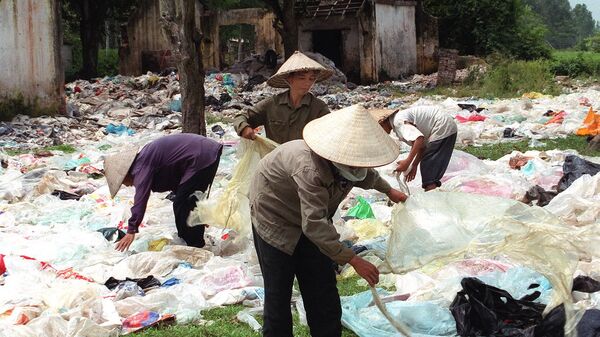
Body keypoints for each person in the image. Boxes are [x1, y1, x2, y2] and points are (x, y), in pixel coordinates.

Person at [249, 105, 408, 337]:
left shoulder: (351, 163)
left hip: (311, 216)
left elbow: (366, 175)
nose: (360, 166)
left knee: (322, 288)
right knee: (279, 290)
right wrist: (352, 259)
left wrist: (389, 190)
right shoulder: (309, 168)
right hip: (275, 214)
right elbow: (313, 224)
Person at [103, 133, 223, 252]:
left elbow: (141, 199)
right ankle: (190, 239)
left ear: (126, 174)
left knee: (182, 204)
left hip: (201, 156)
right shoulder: (145, 159)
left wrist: (131, 230)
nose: (126, 185)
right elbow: (177, 180)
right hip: (205, 152)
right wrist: (201, 214)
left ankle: (195, 246)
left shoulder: (141, 168)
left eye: (123, 181)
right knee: (186, 201)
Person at [233, 51, 333, 144]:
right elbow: (241, 117)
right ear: (289, 79)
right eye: (302, 78)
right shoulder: (272, 104)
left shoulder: (319, 108)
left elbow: (330, 133)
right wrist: (244, 128)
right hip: (276, 160)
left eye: (311, 79)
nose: (307, 83)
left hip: (304, 161)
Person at [370, 106, 457, 191]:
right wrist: (414, 165)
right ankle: (431, 192)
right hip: (444, 124)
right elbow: (421, 146)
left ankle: (431, 195)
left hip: (442, 125)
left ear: (382, 122)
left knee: (429, 165)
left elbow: (419, 139)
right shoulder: (398, 121)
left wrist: (407, 162)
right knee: (429, 166)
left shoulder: (398, 122)